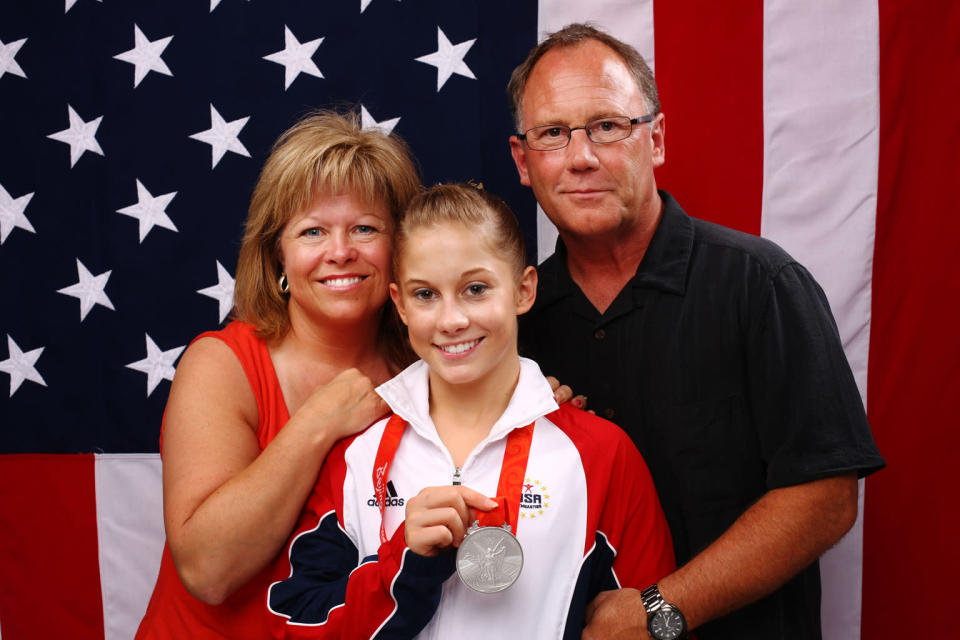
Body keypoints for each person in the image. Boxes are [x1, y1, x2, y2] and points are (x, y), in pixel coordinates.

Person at [507, 24, 885, 640]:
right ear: (524, 162)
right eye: (553, 134)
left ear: (654, 139)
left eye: (607, 126)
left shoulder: (761, 285)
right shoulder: (511, 326)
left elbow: (826, 496)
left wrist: (659, 612)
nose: (581, 156)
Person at [265, 183, 676, 639]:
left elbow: (649, 622)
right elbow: (294, 622)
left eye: (475, 289)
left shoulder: (601, 454)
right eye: (425, 295)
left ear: (523, 290)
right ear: (399, 304)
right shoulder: (356, 458)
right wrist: (404, 565)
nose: (451, 320)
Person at [135, 111, 422, 639]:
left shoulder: (428, 373)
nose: (340, 252)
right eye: (313, 231)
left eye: (365, 228)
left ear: (401, 248)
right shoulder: (222, 364)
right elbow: (208, 571)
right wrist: (317, 423)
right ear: (278, 257)